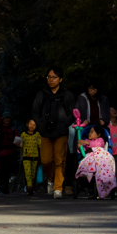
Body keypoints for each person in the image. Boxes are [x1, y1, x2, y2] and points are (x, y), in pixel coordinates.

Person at [30, 65, 76, 198]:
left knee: (60, 160)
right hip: (45, 132)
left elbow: (73, 112)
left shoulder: (67, 95)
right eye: (49, 77)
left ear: (60, 79)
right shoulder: (41, 95)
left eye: (54, 77)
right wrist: (40, 124)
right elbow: (35, 111)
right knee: (45, 160)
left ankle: (57, 188)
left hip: (61, 132)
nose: (51, 80)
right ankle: (50, 178)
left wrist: (65, 125)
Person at [74, 126, 117, 199]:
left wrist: (86, 142)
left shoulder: (100, 140)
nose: (89, 133)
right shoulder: (86, 141)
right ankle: (87, 173)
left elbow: (97, 145)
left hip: (101, 157)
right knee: (88, 161)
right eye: (89, 132)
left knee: (106, 161)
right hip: (90, 157)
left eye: (92, 132)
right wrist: (80, 147)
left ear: (98, 135)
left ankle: (106, 180)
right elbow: (82, 151)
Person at [19, 118, 43, 196]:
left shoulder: (37, 135)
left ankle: (31, 186)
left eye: (34, 125)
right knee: (27, 172)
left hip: (35, 157)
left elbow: (40, 145)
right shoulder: (23, 134)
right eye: (30, 124)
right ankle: (29, 186)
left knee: (33, 173)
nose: (32, 126)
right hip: (26, 157)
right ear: (27, 124)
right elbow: (20, 145)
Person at [0, 115, 18, 194]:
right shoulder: (0, 129)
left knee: (8, 171)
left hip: (11, 153)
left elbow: (17, 138)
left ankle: (6, 187)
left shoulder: (13, 129)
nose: (7, 120)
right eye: (6, 119)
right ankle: (2, 186)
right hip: (2, 152)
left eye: (8, 119)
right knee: (2, 170)